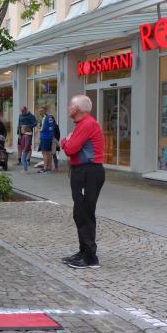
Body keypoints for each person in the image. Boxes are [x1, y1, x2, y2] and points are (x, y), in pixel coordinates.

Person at [60, 95, 105, 269]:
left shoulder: (87, 124)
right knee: (80, 212)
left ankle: (90, 258)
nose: (68, 108)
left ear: (78, 108)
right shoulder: (82, 124)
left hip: (88, 172)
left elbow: (70, 149)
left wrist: (65, 141)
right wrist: (68, 140)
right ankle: (83, 252)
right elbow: (72, 147)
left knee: (84, 212)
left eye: (70, 105)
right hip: (83, 171)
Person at [37, 106, 56, 173]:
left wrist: (39, 128)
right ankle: (48, 167)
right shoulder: (46, 117)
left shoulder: (47, 117)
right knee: (47, 152)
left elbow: (44, 128)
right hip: (46, 137)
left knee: (46, 152)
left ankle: (46, 168)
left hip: (46, 137)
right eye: (39, 111)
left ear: (45, 111)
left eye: (41, 111)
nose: (40, 112)